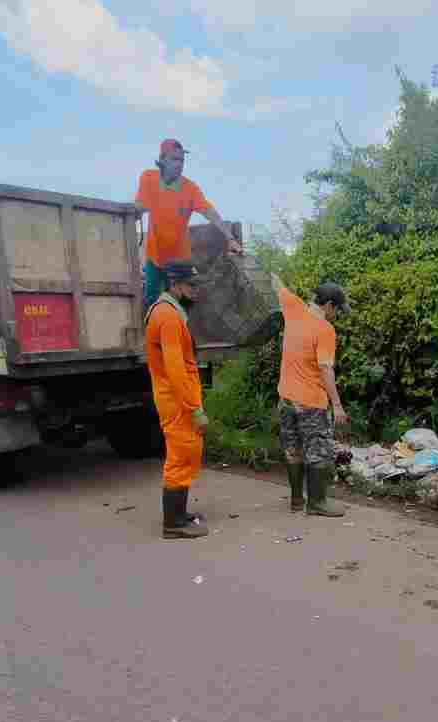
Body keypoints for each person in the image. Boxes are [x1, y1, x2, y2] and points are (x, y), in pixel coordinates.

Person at [134, 138, 242, 312]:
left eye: (182, 161)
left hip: (180, 259)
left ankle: (181, 336)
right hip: (155, 255)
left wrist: (230, 238)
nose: (179, 164)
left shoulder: (190, 189)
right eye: (174, 159)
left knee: (183, 304)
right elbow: (140, 206)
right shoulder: (148, 178)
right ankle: (153, 337)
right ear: (162, 160)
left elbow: (209, 212)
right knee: (151, 302)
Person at [145, 262, 210, 539]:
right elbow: (175, 369)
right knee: (181, 456)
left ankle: (180, 514)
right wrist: (194, 409)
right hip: (177, 400)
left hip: (176, 397)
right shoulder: (168, 317)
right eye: (191, 286)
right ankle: (172, 524)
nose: (195, 291)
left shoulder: (168, 311)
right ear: (175, 285)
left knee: (187, 453)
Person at [275, 277, 351, 517]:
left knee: (293, 449)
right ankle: (317, 503)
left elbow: (275, 282)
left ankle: (297, 500)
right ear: (328, 305)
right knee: (318, 452)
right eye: (337, 309)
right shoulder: (325, 330)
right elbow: (326, 369)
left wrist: (238, 252)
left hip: (286, 399)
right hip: (311, 403)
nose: (337, 314)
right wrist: (337, 405)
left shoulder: (293, 308)